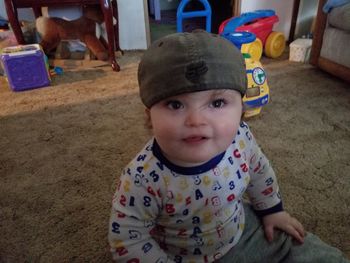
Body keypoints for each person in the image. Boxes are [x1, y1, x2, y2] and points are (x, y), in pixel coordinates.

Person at [108, 30, 349, 263]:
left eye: (217, 102)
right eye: (174, 104)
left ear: (241, 110)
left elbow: (259, 170)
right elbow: (127, 239)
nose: (196, 121)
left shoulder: (240, 137)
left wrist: (272, 211)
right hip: (177, 254)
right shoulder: (140, 177)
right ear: (149, 114)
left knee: (304, 248)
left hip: (242, 233)